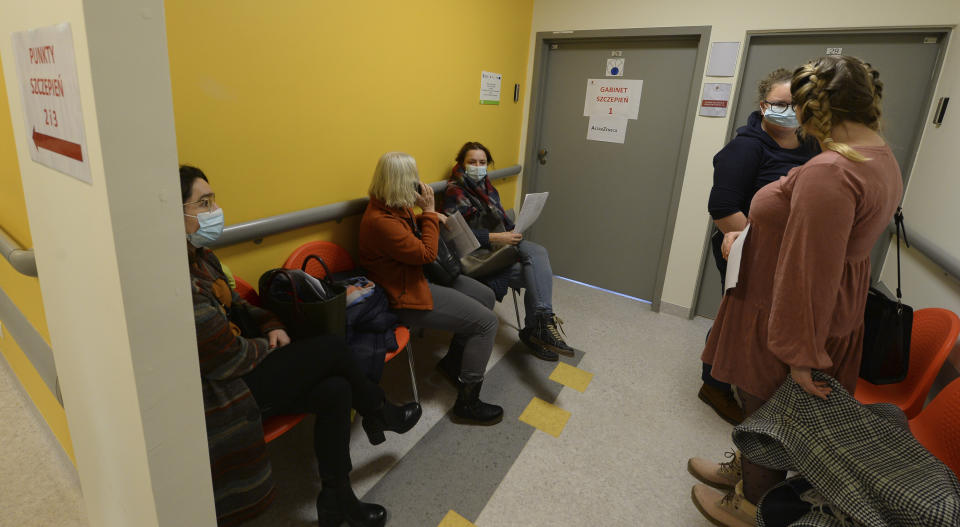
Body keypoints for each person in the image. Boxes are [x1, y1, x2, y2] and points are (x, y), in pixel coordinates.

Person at [689, 55, 902, 527]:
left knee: (770, 412)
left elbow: (810, 272)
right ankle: (744, 471)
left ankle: (752, 505)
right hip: (792, 297)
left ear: (812, 110)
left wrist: (798, 351)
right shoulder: (877, 155)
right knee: (767, 411)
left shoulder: (832, 171)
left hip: (786, 311)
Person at [181, 165, 421, 527]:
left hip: (248, 357)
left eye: (213, 200)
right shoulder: (177, 281)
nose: (215, 210)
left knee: (337, 388)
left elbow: (242, 305)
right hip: (225, 388)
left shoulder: (204, 259)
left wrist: (273, 324)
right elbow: (227, 356)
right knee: (332, 349)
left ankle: (337, 499)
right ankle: (378, 409)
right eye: (203, 203)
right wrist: (269, 344)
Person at [700, 69, 820, 425]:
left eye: (795, 104)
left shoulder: (811, 144)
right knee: (738, 318)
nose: (789, 110)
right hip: (744, 247)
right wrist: (765, 250)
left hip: (789, 253)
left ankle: (751, 381)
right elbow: (723, 209)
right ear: (763, 105)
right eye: (780, 104)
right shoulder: (745, 147)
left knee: (766, 322)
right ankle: (714, 384)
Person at [357, 152, 504, 425]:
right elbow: (425, 253)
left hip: (417, 278)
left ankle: (453, 363)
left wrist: (432, 215)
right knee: (486, 323)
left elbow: (413, 236)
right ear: (397, 181)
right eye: (411, 178)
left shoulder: (391, 204)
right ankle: (468, 402)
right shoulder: (380, 221)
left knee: (485, 295)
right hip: (405, 295)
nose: (417, 182)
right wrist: (427, 211)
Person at [443, 141, 574, 362]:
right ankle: (536, 329)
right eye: (472, 162)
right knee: (534, 273)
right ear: (461, 164)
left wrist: (514, 229)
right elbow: (456, 237)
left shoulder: (487, 187)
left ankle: (540, 323)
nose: (478, 166)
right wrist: (497, 237)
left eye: (482, 162)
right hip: (476, 257)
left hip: (499, 249)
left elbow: (501, 220)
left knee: (537, 257)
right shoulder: (453, 191)